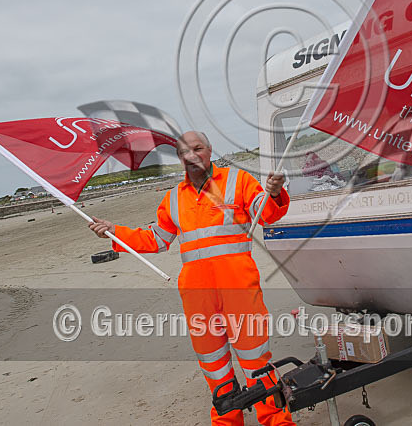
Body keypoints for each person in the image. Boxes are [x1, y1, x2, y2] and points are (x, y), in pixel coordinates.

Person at [89, 131, 295, 426]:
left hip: (239, 291)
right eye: (185, 151)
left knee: (257, 364)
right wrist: (113, 230)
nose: (192, 155)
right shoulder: (173, 199)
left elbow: (266, 213)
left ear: (209, 151)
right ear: (180, 158)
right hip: (198, 299)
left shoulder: (238, 182)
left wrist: (274, 193)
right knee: (214, 368)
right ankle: (227, 421)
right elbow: (155, 239)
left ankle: (276, 421)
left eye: (198, 148)